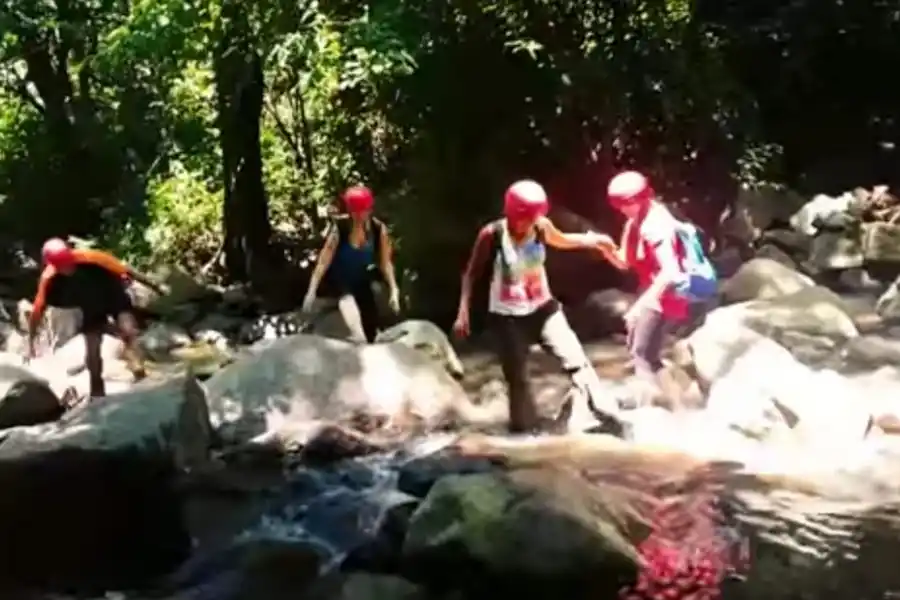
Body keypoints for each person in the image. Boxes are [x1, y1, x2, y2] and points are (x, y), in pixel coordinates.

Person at [452, 179, 624, 434]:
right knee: (518, 381)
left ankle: (607, 415)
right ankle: (524, 439)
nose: (531, 221)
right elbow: (471, 273)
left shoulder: (541, 227)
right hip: (507, 317)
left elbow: (562, 240)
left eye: (535, 216)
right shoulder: (493, 234)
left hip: (544, 309)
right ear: (512, 212)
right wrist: (462, 311)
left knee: (576, 360)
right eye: (527, 217)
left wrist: (594, 240)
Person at [594, 170, 715, 388]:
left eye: (625, 202)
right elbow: (624, 262)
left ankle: (663, 405)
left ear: (641, 198)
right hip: (652, 291)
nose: (621, 209)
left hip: (670, 293)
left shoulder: (657, 225)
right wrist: (604, 247)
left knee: (643, 354)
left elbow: (670, 272)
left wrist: (638, 307)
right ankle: (675, 395)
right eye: (616, 204)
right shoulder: (634, 222)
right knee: (639, 349)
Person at [27, 238, 167, 398]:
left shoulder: (91, 258)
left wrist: (155, 286)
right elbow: (37, 311)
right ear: (52, 265)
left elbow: (126, 270)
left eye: (68, 261)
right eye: (62, 265)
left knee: (128, 329)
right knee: (92, 350)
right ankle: (97, 391)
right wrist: (31, 342)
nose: (68, 268)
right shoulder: (49, 279)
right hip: (91, 307)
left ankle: (139, 370)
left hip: (114, 295)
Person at [302, 185, 400, 342]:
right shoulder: (340, 229)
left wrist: (394, 289)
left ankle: (374, 338)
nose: (359, 215)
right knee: (349, 308)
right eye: (355, 211)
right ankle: (355, 336)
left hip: (361, 280)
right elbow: (323, 262)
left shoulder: (377, 229)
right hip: (338, 283)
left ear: (369, 209)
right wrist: (311, 291)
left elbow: (385, 263)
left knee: (372, 313)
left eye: (363, 210)